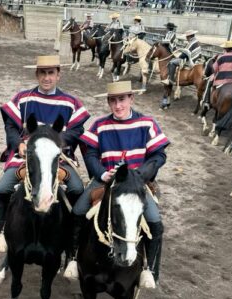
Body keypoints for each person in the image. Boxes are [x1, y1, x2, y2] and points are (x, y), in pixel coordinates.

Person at [69, 80, 169, 286]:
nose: (118, 106)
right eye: (113, 101)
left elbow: (159, 155)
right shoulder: (100, 125)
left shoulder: (147, 123)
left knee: (155, 223)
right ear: (108, 102)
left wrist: (140, 174)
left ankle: (149, 270)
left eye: (122, 100)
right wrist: (102, 173)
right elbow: (91, 154)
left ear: (131, 99)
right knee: (77, 212)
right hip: (105, 181)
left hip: (135, 184)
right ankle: (72, 258)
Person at [0, 55, 90, 251]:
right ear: (37, 75)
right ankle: (1, 231)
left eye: (51, 73)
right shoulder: (23, 98)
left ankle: (71, 241)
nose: (47, 78)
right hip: (27, 156)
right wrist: (18, 143)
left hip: (57, 157)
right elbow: (11, 126)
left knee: (77, 190)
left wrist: (57, 142)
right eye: (43, 73)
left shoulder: (70, 102)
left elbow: (78, 130)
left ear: (58, 75)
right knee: (2, 188)